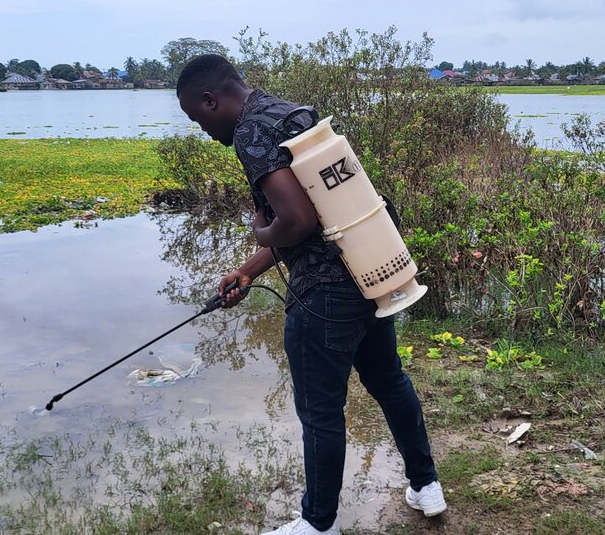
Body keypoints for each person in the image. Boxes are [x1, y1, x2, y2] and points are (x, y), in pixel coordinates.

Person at [175, 54, 446, 535]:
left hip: (322, 296)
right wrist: (248, 269)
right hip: (366, 274)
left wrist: (260, 234)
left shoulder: (250, 132)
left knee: (320, 412)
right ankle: (426, 486)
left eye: (198, 118)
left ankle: (319, 524)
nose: (202, 129)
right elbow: (325, 216)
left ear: (210, 99)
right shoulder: (292, 114)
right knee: (390, 383)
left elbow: (296, 222)